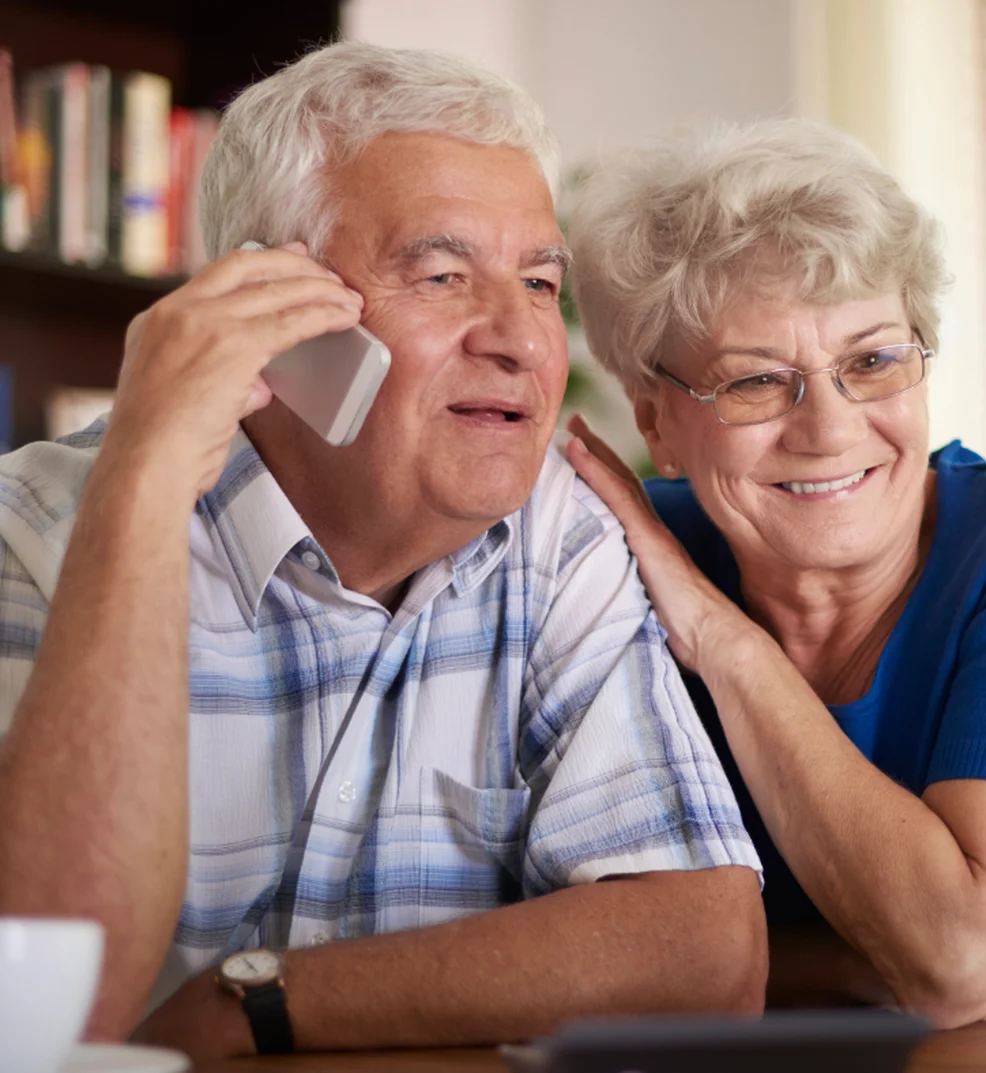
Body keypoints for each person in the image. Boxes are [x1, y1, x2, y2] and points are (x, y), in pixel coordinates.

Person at [0, 44, 766, 1059]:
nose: (522, 339)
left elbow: (704, 955)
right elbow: (52, 1008)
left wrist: (254, 1001)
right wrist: (138, 491)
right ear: (269, 314)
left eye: (540, 282)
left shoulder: (555, 534)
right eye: (442, 273)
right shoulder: (31, 532)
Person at [564, 118, 986, 1028]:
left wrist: (727, 644)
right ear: (657, 425)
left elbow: (955, 953)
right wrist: (862, 964)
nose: (830, 429)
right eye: (756, 381)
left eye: (874, 360)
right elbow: (535, 924)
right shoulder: (612, 560)